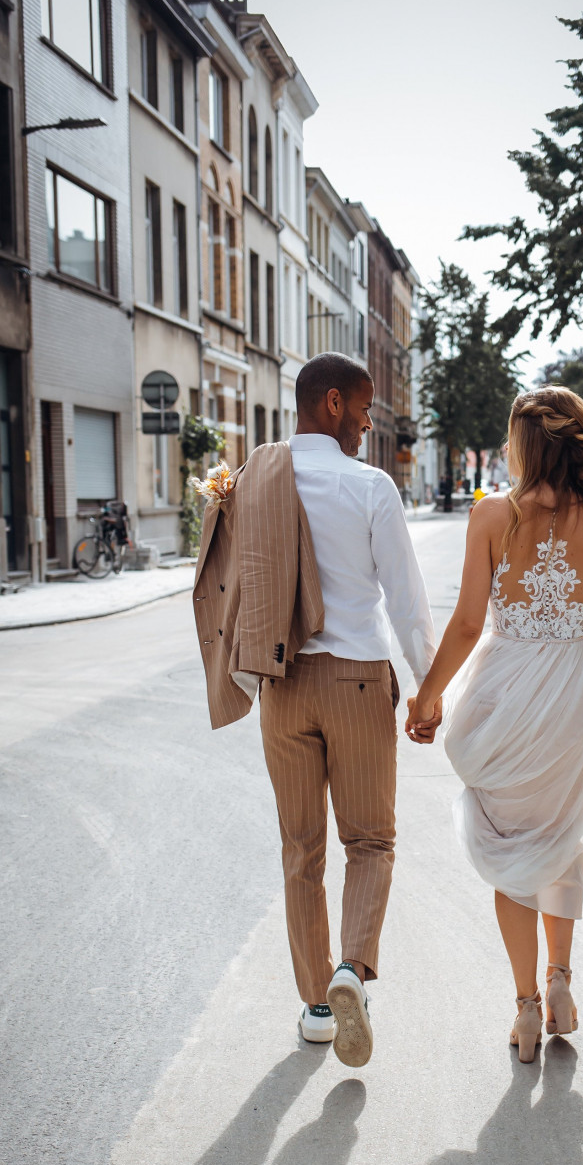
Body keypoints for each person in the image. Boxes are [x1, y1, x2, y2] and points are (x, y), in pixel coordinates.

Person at [194, 353, 438, 1069]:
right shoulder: (368, 487)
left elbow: (230, 583)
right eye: (362, 410)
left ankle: (317, 1007)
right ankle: (351, 970)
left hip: (283, 684)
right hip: (359, 681)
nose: (368, 425)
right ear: (331, 403)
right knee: (370, 844)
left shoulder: (252, 481)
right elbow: (406, 599)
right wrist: (428, 687)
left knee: (301, 849)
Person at [406, 386, 583, 1062]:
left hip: (504, 695)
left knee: (513, 853)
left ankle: (527, 1008)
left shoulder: (492, 517)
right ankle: (562, 981)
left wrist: (426, 698)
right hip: (575, 695)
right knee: (565, 840)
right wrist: (572, 675)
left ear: (520, 444)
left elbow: (470, 623)